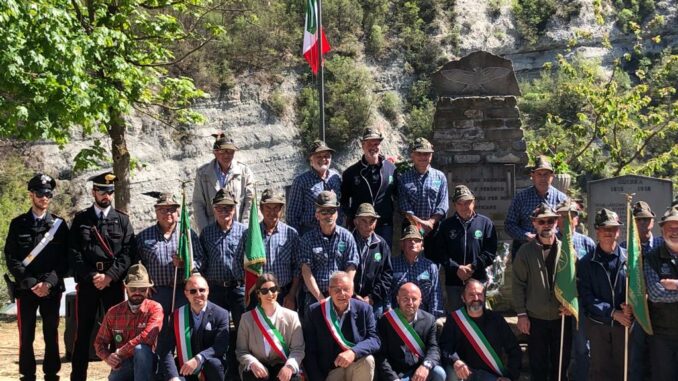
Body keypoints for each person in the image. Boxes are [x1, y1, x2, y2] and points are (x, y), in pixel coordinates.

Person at [69, 172, 135, 381]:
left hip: (113, 284)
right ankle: (77, 377)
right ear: (93, 192)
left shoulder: (122, 220)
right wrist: (91, 276)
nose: (106, 196)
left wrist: (109, 276)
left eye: (110, 192)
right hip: (89, 284)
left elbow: (128, 253)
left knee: (118, 333)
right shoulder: (81, 220)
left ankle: (120, 376)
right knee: (83, 334)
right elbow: (73, 253)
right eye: (102, 191)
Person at [4, 174, 69, 381]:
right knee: (26, 334)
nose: (44, 198)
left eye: (48, 194)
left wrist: (48, 283)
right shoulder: (18, 224)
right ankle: (27, 374)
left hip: (51, 289)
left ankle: (51, 374)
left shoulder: (59, 225)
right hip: (26, 288)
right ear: (32, 195)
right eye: (40, 193)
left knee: (51, 333)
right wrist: (31, 283)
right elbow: (11, 257)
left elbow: (66, 259)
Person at [512, 203, 572, 381]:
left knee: (560, 366)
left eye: (551, 221)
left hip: (561, 318)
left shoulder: (567, 250)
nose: (547, 225)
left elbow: (575, 281)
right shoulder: (525, 252)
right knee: (538, 366)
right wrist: (521, 314)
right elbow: (517, 284)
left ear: (557, 222)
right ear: (535, 224)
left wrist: (571, 305)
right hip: (536, 319)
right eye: (542, 221)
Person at [197, 188, 246, 378]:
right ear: (214, 210)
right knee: (219, 331)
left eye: (228, 208)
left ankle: (241, 369)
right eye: (220, 208)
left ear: (234, 209)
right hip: (216, 289)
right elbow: (202, 260)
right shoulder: (207, 233)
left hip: (239, 288)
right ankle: (220, 370)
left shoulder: (245, 231)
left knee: (242, 331)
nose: (224, 212)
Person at [577, 208, 630, 381]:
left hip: (625, 327)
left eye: (613, 228)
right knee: (600, 371)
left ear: (619, 231)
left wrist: (632, 307)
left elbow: (637, 290)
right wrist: (613, 313)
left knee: (624, 371)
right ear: (597, 231)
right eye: (604, 228)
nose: (609, 232)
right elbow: (586, 297)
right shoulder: (586, 263)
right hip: (599, 325)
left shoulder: (629, 261)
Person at [303, 271, 381, 380]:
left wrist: (353, 352)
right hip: (330, 370)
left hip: (355, 363)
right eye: (337, 289)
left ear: (352, 291)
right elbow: (309, 351)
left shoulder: (364, 309)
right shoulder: (315, 311)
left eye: (346, 289)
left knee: (368, 360)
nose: (342, 293)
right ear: (329, 291)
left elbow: (375, 340)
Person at [440, 279, 521, 381]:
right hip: (464, 373)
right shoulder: (454, 319)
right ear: (463, 298)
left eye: (479, 294)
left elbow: (514, 349)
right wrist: (455, 361)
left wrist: (510, 376)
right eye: (471, 295)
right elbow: (444, 347)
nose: (476, 298)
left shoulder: (496, 319)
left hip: (491, 375)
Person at [94, 264, 164, 381]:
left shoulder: (155, 308)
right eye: (133, 288)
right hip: (122, 363)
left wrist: (121, 351)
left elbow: (147, 337)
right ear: (125, 288)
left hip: (148, 363)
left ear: (148, 289)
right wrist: (107, 357)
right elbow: (99, 342)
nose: (137, 292)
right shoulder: (113, 312)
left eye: (142, 289)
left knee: (140, 349)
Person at [433, 185, 497, 312]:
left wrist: (473, 267)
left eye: (467, 202)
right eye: (460, 203)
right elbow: (440, 252)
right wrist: (456, 268)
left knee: (478, 319)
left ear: (473, 202)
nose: (464, 207)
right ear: (454, 205)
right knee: (457, 320)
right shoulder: (446, 225)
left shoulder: (485, 223)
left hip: (478, 280)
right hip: (454, 282)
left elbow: (490, 252)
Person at [137, 192, 202, 316]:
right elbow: (136, 263)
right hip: (157, 291)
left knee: (181, 328)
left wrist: (186, 264)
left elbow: (200, 258)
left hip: (183, 290)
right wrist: (144, 282)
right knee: (159, 329)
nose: (167, 213)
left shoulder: (187, 234)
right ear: (156, 213)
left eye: (171, 209)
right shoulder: (143, 236)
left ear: (177, 212)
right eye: (162, 210)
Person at [158, 274, 230, 381]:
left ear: (208, 291)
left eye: (202, 290)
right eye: (193, 291)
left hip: (209, 367)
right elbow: (167, 349)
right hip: (185, 368)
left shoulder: (221, 314)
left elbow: (220, 346)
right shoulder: (177, 316)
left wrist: (199, 359)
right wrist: (173, 377)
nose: (198, 294)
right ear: (186, 293)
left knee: (214, 363)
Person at [238, 189, 300, 309]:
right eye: (268, 208)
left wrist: (292, 295)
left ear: (281, 210)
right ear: (261, 209)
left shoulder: (291, 234)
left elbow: (298, 267)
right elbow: (238, 264)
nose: (272, 212)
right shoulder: (249, 236)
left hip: (284, 295)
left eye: (276, 208)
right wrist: (249, 286)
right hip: (258, 296)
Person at [236, 273, 305, 381]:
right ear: (258, 294)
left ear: (277, 290)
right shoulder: (246, 319)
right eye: (264, 291)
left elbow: (298, 349)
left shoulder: (292, 316)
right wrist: (253, 363)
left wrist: (289, 366)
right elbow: (241, 351)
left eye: (273, 289)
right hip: (258, 365)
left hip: (282, 363)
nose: (270, 294)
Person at [620, 201, 661, 381]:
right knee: (635, 357)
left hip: (660, 310)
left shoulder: (662, 245)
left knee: (659, 357)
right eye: (638, 220)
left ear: (652, 222)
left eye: (646, 220)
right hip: (634, 308)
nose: (643, 224)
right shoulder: (623, 247)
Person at [299, 191, 359, 313]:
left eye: (332, 211)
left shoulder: (347, 237)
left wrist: (342, 293)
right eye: (324, 211)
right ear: (317, 215)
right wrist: (321, 299)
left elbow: (351, 266)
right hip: (315, 296)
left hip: (341, 296)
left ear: (337, 214)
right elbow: (306, 270)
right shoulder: (307, 239)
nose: (328, 215)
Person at [555, 199, 595, 381]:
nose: (565, 220)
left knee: (582, 349)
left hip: (582, 305)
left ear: (577, 220)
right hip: (558, 305)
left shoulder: (588, 244)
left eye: (570, 216)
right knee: (559, 349)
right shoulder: (551, 241)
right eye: (562, 216)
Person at [376, 282, 446, 381]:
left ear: (420, 301)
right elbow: (381, 356)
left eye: (414, 299)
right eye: (405, 299)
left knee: (439, 373)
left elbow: (433, 348)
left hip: (419, 370)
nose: (410, 303)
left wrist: (425, 366)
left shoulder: (429, 320)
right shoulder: (385, 321)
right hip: (396, 373)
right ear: (398, 299)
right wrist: (393, 378)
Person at [340, 127, 397, 246]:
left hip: (384, 225)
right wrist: (353, 218)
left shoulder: (391, 169)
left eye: (376, 143)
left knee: (383, 260)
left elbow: (398, 195)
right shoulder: (351, 173)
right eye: (369, 143)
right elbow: (343, 201)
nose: (373, 147)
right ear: (362, 145)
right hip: (361, 226)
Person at [505, 156, 567, 259]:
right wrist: (526, 236)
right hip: (525, 252)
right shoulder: (521, 198)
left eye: (546, 174)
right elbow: (509, 224)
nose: (542, 178)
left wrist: (551, 236)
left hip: (553, 252)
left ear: (552, 176)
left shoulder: (561, 199)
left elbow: (566, 227)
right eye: (539, 174)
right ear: (532, 176)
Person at [193, 132, 255, 230]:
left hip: (238, 228)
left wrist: (245, 228)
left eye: (230, 151)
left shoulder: (244, 172)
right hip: (212, 229)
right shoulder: (203, 173)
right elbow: (198, 204)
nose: (227, 155)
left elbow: (250, 202)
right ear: (215, 152)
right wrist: (205, 231)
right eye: (223, 151)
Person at [644, 205, 678, 381]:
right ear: (662, 229)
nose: (674, 231)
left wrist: (675, 285)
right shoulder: (652, 257)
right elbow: (656, 294)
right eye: (670, 227)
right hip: (663, 336)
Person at [397, 137, 448, 248]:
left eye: (426, 154)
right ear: (412, 155)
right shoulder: (404, 178)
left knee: (434, 262)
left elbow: (443, 204)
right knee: (410, 261)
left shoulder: (440, 177)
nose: (423, 157)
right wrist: (420, 224)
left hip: (434, 229)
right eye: (419, 154)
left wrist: (431, 222)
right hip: (411, 229)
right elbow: (404, 206)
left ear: (431, 156)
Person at [287, 140, 342, 235]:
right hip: (310, 233)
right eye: (319, 156)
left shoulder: (336, 177)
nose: (323, 159)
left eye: (326, 156)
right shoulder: (301, 181)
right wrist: (298, 239)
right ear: (311, 160)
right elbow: (292, 216)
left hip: (335, 232)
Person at [392, 225, 444, 318]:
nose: (412, 242)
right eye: (408, 240)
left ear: (422, 245)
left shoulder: (430, 267)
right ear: (402, 245)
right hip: (397, 318)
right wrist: (389, 314)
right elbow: (387, 293)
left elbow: (435, 296)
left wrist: (433, 319)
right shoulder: (392, 264)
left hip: (423, 317)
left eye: (416, 240)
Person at [352, 203, 393, 318]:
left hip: (374, 302)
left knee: (373, 333)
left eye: (372, 221)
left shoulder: (382, 244)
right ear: (356, 221)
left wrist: (371, 297)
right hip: (349, 299)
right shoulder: (348, 241)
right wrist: (353, 295)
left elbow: (387, 275)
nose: (368, 225)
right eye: (364, 221)